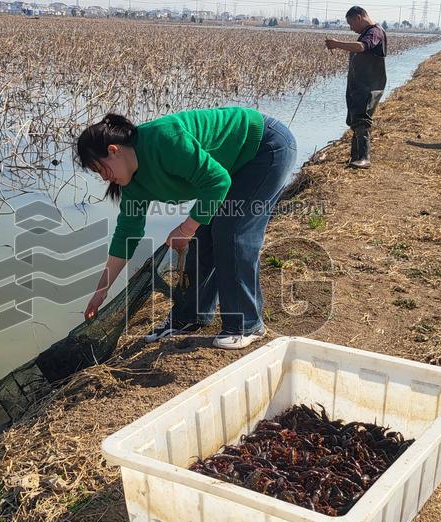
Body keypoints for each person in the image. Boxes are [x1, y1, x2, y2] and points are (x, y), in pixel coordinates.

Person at [77, 108, 298, 350]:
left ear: (113, 150)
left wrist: (185, 227)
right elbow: (124, 239)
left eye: (100, 170)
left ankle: (247, 325)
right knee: (203, 236)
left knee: (232, 232)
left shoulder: (163, 139)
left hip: (264, 147)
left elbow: (218, 181)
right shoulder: (133, 187)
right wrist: (101, 291)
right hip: (231, 162)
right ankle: (190, 317)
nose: (105, 179)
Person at [325, 6, 388, 169]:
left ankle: (364, 158)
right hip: (359, 83)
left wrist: (337, 44)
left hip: (369, 83)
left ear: (359, 17)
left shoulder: (374, 32)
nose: (351, 28)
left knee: (362, 118)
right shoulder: (367, 32)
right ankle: (354, 156)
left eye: (351, 23)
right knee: (355, 119)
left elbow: (361, 47)